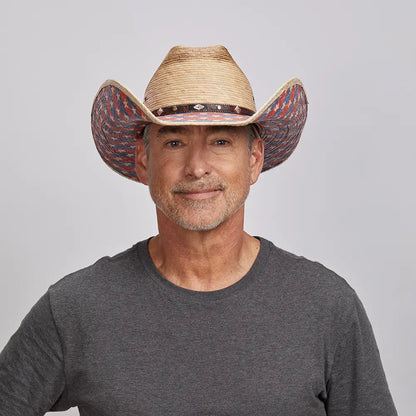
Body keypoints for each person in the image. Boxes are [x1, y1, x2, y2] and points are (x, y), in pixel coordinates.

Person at [0, 45, 397, 415]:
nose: (197, 167)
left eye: (221, 140)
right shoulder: (75, 309)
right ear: (143, 160)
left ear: (254, 159)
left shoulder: (326, 306)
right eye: (174, 142)